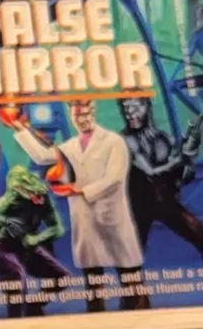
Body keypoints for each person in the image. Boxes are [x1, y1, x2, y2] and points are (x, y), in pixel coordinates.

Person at [10, 96, 147, 312]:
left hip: (113, 218)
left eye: (86, 114)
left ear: (94, 112)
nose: (82, 119)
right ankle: (96, 318)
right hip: (85, 221)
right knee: (93, 280)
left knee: (130, 276)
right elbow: (43, 156)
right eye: (77, 116)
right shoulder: (70, 146)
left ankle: (141, 316)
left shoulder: (113, 142)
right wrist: (19, 127)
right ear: (72, 117)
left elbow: (115, 178)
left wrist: (79, 190)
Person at [121, 92, 203, 262]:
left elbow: (183, 177)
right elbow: (150, 172)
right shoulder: (125, 140)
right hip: (137, 208)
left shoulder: (164, 138)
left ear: (147, 107)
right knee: (131, 257)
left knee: (198, 232)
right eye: (126, 108)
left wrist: (189, 155)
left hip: (165, 201)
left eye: (135, 107)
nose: (129, 113)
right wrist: (180, 159)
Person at [0, 162, 68, 312]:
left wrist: (37, 239)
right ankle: (15, 315)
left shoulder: (42, 198)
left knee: (63, 277)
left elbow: (58, 229)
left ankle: (34, 306)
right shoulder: (5, 202)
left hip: (27, 245)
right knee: (17, 276)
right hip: (3, 248)